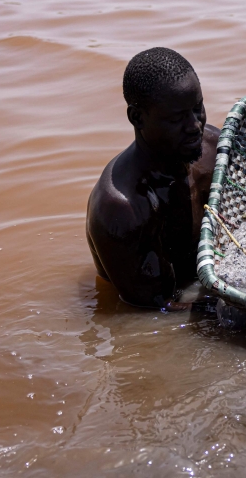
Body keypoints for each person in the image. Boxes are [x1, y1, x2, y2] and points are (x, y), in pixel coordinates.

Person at [86, 47, 219, 309]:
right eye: (177, 118)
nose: (195, 126)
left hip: (203, 280)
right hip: (159, 306)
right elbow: (155, 310)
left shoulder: (213, 147)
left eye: (197, 108)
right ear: (137, 118)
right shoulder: (122, 209)